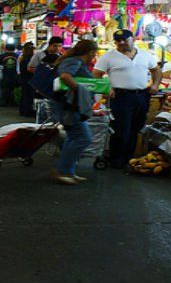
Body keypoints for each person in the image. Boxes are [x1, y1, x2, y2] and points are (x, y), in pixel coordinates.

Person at [92, 29, 162, 169]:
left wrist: (155, 84)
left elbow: (156, 70)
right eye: (118, 41)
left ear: (133, 39)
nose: (122, 43)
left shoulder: (144, 55)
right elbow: (97, 73)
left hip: (142, 96)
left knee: (136, 127)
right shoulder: (109, 56)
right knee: (121, 129)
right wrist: (106, 88)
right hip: (121, 96)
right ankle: (116, 159)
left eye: (125, 40)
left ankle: (129, 158)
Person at [50, 40, 100, 185]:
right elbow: (65, 76)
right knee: (83, 138)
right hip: (69, 106)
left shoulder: (76, 61)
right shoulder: (74, 61)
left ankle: (67, 171)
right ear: (91, 52)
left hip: (71, 106)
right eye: (94, 53)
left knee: (74, 138)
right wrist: (79, 91)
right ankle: (63, 171)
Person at [17, 43, 37, 117]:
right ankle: (27, 111)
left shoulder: (22, 58)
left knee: (24, 95)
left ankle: (23, 111)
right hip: (29, 79)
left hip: (23, 78)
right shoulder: (30, 59)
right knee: (29, 96)